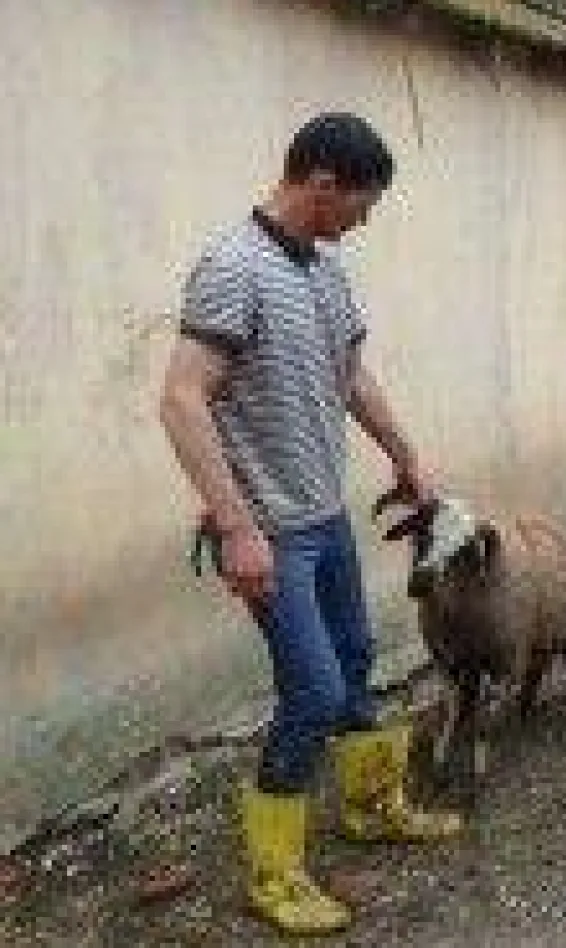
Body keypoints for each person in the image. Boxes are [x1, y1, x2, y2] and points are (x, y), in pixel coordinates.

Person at [158, 112, 462, 936]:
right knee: (315, 692)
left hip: (325, 518)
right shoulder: (232, 268)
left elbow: (352, 376)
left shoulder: (326, 271)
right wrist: (236, 529)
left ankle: (369, 807)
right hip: (270, 532)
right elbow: (182, 399)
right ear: (320, 182)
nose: (363, 222)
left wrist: (407, 455)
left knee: (356, 659)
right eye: (359, 205)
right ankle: (274, 873)